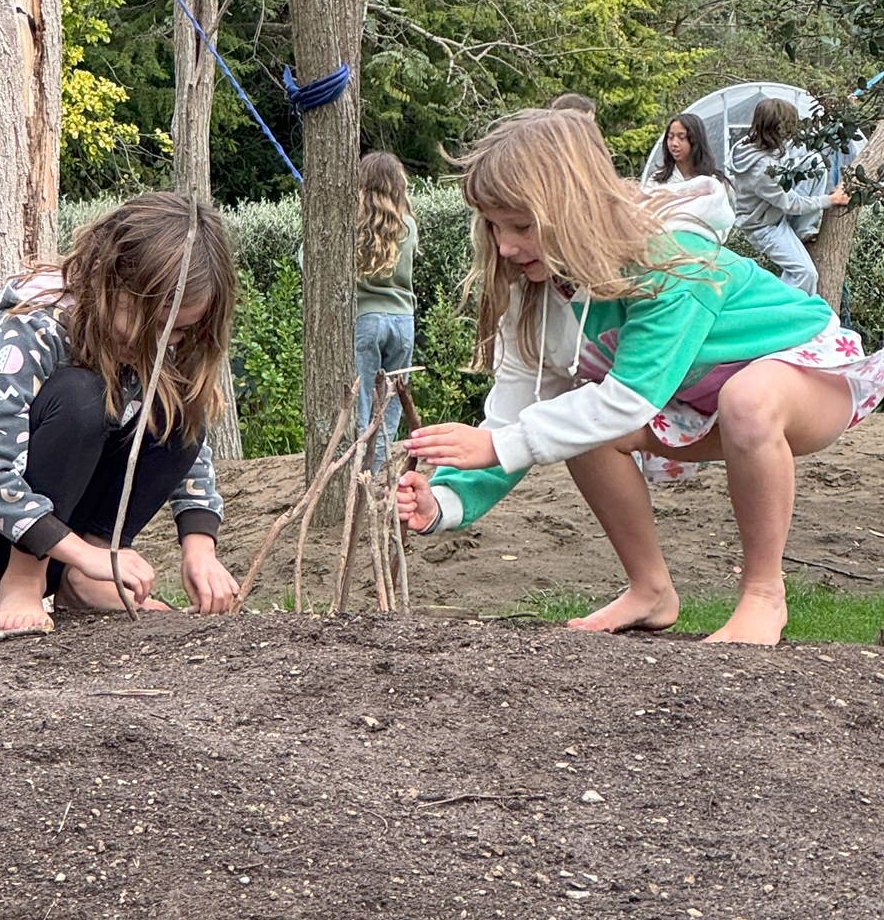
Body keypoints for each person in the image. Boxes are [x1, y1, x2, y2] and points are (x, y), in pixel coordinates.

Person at [397, 108, 884, 645]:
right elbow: (518, 409)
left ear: (574, 208)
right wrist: (447, 500)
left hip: (807, 376)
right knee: (578, 423)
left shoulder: (672, 257)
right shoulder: (534, 288)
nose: (505, 246)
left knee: (747, 397)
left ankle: (764, 596)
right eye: (494, 224)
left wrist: (496, 447)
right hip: (698, 403)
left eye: (521, 225)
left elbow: (629, 400)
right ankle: (651, 590)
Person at [0, 192, 242, 629]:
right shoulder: (30, 329)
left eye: (180, 331)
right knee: (81, 395)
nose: (167, 341)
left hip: (64, 536)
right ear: (111, 280)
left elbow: (187, 441)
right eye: (159, 324)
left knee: (174, 400)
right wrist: (86, 554)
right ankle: (23, 580)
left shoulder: (153, 345)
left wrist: (200, 548)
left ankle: (84, 581)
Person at [729, 98, 850, 294]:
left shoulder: (754, 142)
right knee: (806, 274)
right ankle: (780, 309)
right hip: (765, 226)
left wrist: (839, 114)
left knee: (815, 162)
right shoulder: (762, 170)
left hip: (773, 210)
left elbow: (803, 146)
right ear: (777, 131)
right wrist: (831, 200)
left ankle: (803, 231)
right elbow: (791, 203)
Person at [355, 152, 418, 471]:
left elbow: (304, 258)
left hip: (365, 320)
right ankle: (376, 470)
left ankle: (354, 470)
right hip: (403, 321)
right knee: (389, 405)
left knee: (361, 400)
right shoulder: (408, 225)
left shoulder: (351, 224)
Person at [640, 111, 736, 241]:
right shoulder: (657, 181)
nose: (674, 143)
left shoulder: (712, 184)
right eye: (670, 137)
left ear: (695, 140)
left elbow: (722, 226)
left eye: (681, 137)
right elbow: (645, 217)